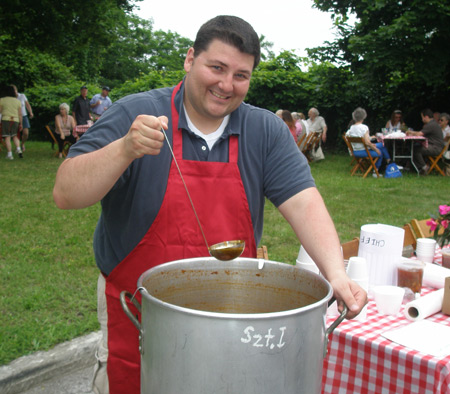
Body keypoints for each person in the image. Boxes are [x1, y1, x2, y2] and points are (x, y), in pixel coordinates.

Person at [53, 15, 366, 394]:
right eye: (216, 68)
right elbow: (66, 193)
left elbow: (304, 203)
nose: (225, 85)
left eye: (240, 75)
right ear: (189, 60)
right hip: (140, 313)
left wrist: (335, 273)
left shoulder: (263, 130)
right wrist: (124, 149)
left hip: (232, 314)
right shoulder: (134, 113)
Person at [346, 107, 393, 176]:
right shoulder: (364, 127)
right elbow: (367, 142)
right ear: (364, 117)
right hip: (364, 151)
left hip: (355, 152)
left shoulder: (351, 128)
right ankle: (381, 167)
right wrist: (375, 149)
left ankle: (388, 162)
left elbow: (365, 142)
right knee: (381, 149)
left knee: (380, 147)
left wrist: (372, 146)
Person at [406, 108, 445, 175]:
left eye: (422, 117)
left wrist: (410, 132)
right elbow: (420, 133)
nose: (422, 119)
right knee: (414, 147)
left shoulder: (430, 125)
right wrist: (412, 132)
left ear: (426, 117)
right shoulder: (433, 124)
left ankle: (424, 167)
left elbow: (420, 134)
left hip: (435, 148)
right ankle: (417, 168)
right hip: (436, 146)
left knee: (415, 149)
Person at [0, 85, 23, 160]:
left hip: (6, 119)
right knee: (15, 136)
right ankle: (19, 149)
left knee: (7, 136)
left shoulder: (2, 100)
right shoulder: (17, 101)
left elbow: (0, 111)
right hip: (15, 120)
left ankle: (9, 154)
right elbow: (20, 114)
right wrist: (21, 123)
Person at [12, 85, 34, 151]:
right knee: (16, 133)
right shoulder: (11, 98)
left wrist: (30, 112)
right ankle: (17, 147)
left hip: (24, 116)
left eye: (15, 90)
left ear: (17, 90)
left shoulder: (22, 96)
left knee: (26, 133)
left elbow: (27, 104)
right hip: (15, 116)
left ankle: (22, 143)